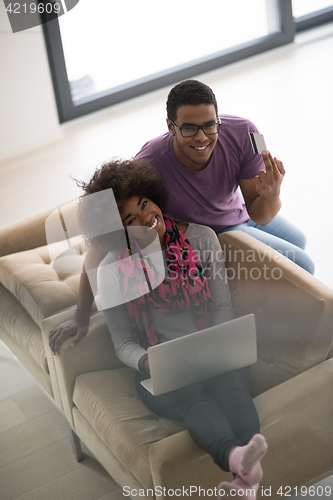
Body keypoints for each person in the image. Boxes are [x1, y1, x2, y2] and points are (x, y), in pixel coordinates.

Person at [49, 79, 314, 354]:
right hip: (216, 233)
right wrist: (81, 315)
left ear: (218, 119)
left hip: (240, 211)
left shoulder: (243, 131)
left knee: (299, 239)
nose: (201, 137)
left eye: (210, 125)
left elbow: (258, 213)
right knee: (303, 263)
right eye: (188, 128)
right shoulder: (149, 163)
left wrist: (272, 195)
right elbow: (103, 242)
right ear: (170, 126)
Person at [76, 158, 268, 500]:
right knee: (194, 400)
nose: (147, 219)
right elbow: (121, 342)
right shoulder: (111, 271)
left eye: (145, 205)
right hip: (157, 367)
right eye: (130, 220)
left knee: (232, 387)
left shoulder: (202, 238)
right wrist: (148, 362)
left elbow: (223, 306)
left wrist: (217, 342)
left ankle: (243, 476)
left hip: (213, 350)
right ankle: (239, 460)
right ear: (118, 234)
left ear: (154, 197)